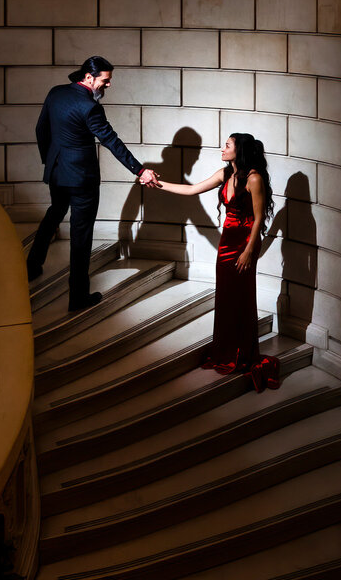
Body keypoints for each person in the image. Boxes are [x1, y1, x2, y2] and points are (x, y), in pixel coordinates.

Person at [28, 56, 159, 311]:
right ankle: (77, 298)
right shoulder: (90, 107)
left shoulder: (56, 93)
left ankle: (32, 267)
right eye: (105, 81)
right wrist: (140, 170)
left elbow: (40, 130)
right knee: (80, 235)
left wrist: (50, 161)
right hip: (82, 179)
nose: (108, 86)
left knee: (54, 213)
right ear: (89, 77)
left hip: (57, 173)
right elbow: (112, 142)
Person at [154, 133, 280, 392]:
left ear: (239, 150)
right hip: (226, 244)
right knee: (225, 297)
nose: (222, 149)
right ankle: (224, 353)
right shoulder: (225, 174)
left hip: (245, 244)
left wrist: (248, 251)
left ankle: (243, 355)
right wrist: (158, 183)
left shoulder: (254, 178)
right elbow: (191, 190)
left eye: (227, 145)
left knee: (242, 298)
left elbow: (258, 220)